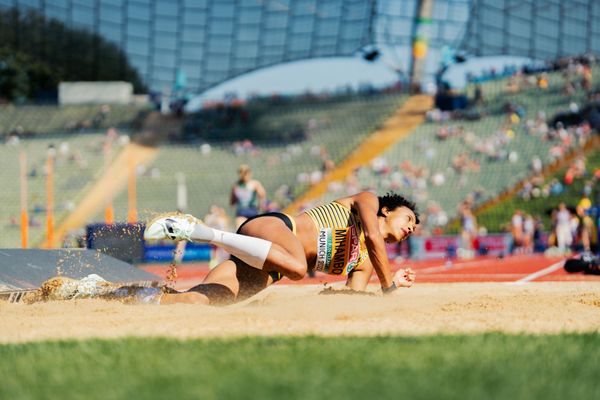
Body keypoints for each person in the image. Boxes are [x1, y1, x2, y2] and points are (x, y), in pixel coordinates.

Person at [144, 191, 419, 305]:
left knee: (199, 300)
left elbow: (351, 297)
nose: (410, 228)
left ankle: (120, 292)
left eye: (414, 229)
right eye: (408, 219)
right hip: (278, 228)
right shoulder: (368, 200)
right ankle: (202, 232)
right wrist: (388, 286)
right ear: (386, 209)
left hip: (271, 266)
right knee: (299, 268)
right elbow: (371, 235)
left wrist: (386, 285)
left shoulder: (368, 262)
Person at [230, 164, 267, 229]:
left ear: (249, 173)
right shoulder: (236, 185)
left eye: (246, 172)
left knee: (254, 229)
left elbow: (262, 195)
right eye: (242, 172)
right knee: (239, 228)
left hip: (252, 210)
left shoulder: (254, 183)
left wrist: (260, 205)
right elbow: (232, 201)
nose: (244, 175)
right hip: (241, 212)